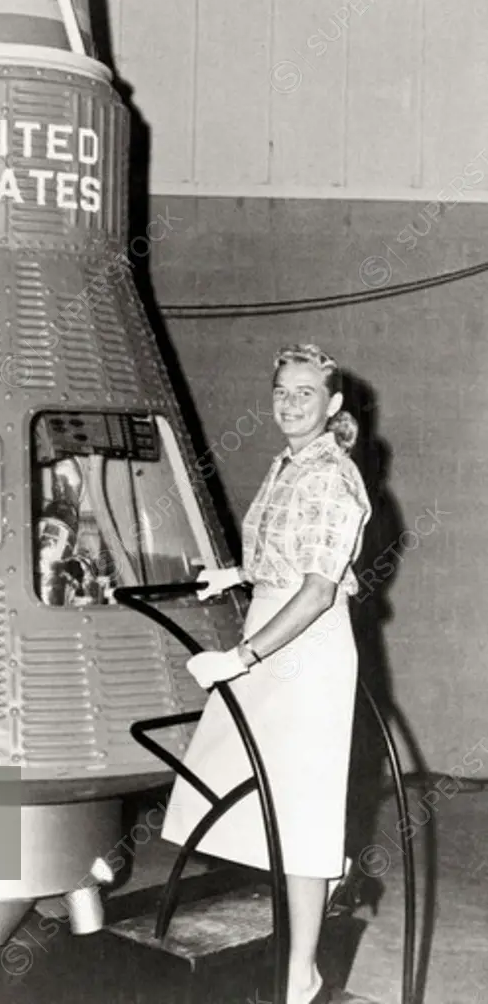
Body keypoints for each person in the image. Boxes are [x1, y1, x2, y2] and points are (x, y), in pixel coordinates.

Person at [161, 344, 373, 1004]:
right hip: (270, 628)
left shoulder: (332, 475)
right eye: (281, 390)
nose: (288, 402)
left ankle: (301, 973)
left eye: (304, 393)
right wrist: (237, 573)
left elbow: (315, 591)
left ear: (332, 405)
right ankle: (325, 884)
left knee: (298, 820)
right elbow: (284, 556)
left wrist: (241, 657)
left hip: (304, 653)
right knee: (255, 803)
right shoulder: (287, 464)